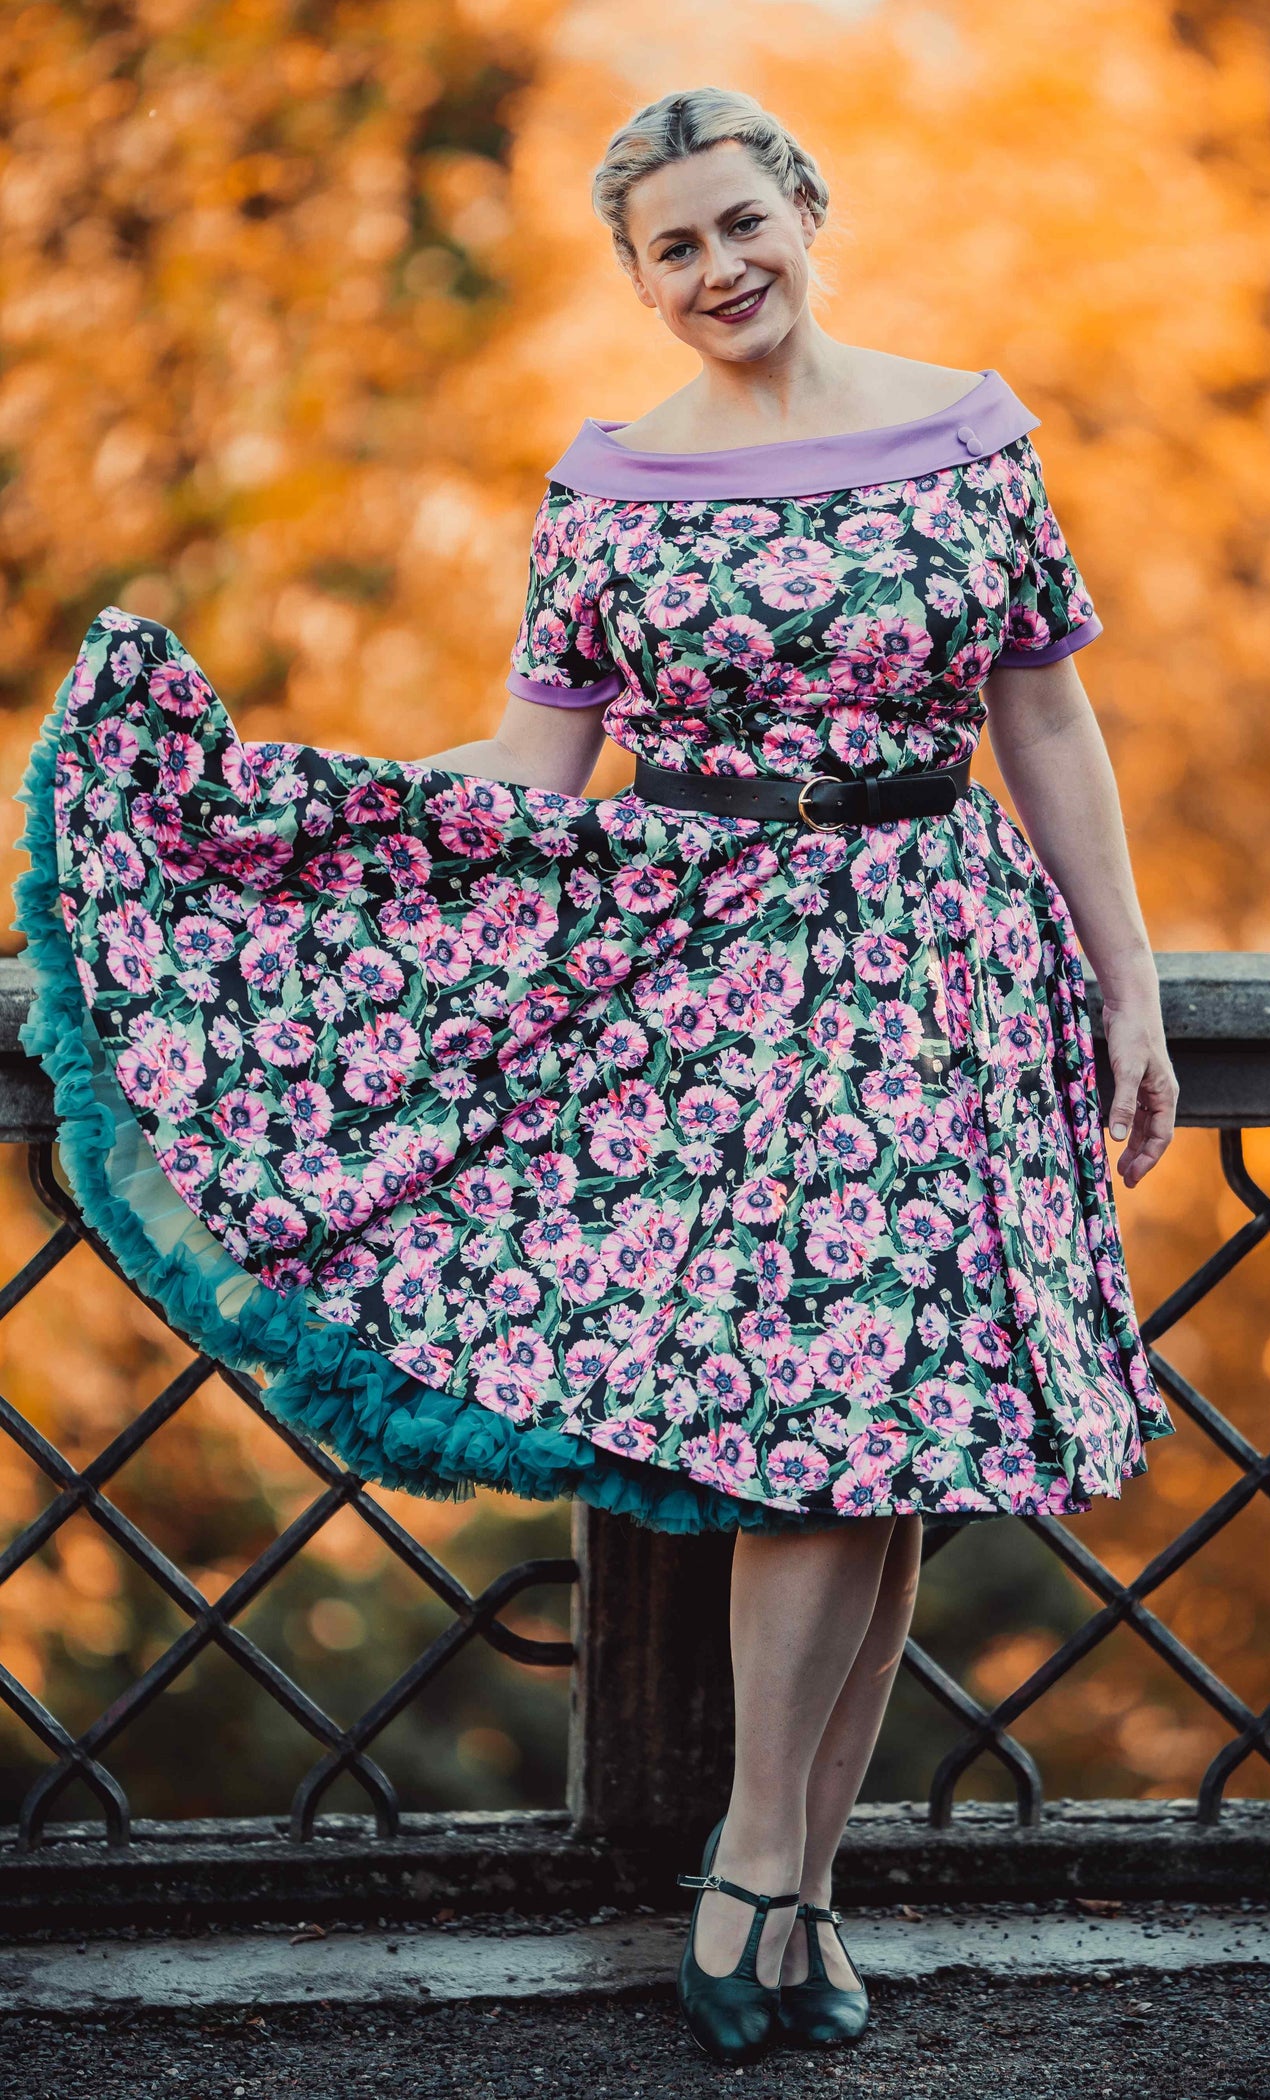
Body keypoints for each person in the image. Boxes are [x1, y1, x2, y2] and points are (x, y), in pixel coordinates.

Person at [14, 85, 1177, 2068]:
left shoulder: (973, 437)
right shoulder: (613, 491)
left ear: (804, 209)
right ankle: (752, 1864)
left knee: (888, 1440)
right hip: (711, 981)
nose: (721, 269)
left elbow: (1048, 725)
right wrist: (277, 811)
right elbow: (534, 780)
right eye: (675, 247)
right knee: (808, 1422)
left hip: (942, 962)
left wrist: (1130, 991)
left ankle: (797, 1876)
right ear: (635, 280)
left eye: (744, 223)